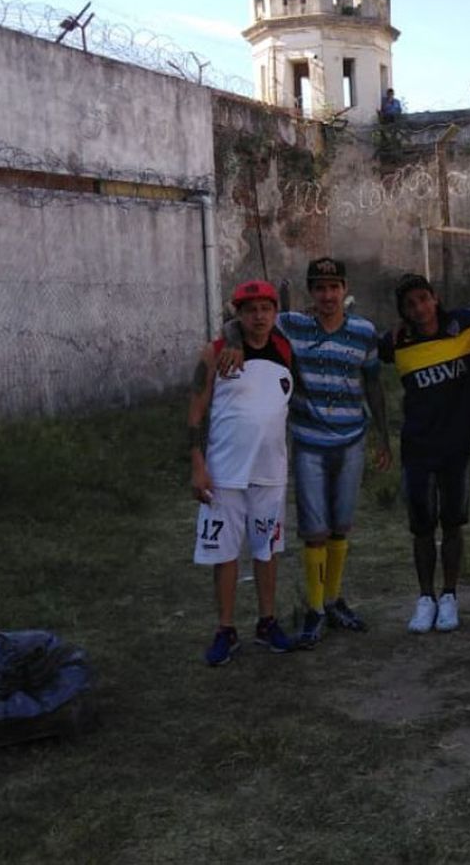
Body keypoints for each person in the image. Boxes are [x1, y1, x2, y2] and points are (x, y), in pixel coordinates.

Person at [220, 257, 391, 648]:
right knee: (313, 530)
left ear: (344, 289)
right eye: (319, 288)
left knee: (340, 525)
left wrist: (383, 435)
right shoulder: (292, 325)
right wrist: (232, 342)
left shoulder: (364, 331)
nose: (327, 295)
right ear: (309, 292)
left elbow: (374, 384)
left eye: (334, 287)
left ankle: (334, 600)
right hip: (309, 441)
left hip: (351, 440)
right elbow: (240, 321)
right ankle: (314, 609)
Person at [188, 279, 297, 666]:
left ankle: (268, 622)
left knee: (268, 549)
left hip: (270, 472)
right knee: (226, 553)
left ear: (274, 311)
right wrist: (197, 464)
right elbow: (197, 411)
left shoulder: (285, 348)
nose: (259, 316)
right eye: (250, 310)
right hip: (225, 473)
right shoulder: (217, 351)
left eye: (266, 308)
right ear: (238, 314)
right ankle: (225, 629)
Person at [377, 274, 470, 633]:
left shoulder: (465, 325)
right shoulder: (396, 343)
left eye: (424, 299)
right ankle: (425, 598)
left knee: (454, 523)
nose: (419, 308)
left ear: (435, 298)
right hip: (418, 449)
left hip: (458, 446)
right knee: (422, 527)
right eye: (410, 305)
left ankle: (450, 596)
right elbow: (372, 352)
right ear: (403, 313)